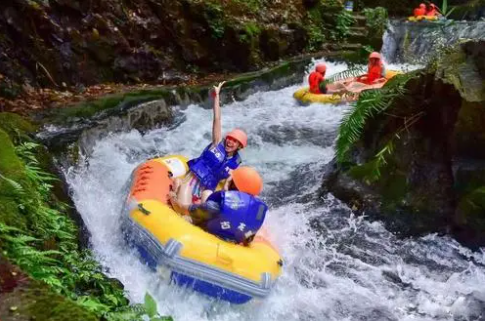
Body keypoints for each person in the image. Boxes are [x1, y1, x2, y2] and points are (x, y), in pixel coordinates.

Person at [172, 81, 248, 207]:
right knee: (183, 190)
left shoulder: (235, 165)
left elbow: (229, 186)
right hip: (193, 180)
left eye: (235, 141)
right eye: (230, 138)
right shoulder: (217, 142)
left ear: (239, 146)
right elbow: (217, 119)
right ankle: (176, 191)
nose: (230, 142)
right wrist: (216, 96)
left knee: (207, 195)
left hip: (206, 188)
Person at [170, 166, 268, 245]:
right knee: (207, 193)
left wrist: (173, 195)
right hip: (230, 239)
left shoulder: (215, 206)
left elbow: (181, 208)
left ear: (232, 184)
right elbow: (247, 239)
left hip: (207, 232)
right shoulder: (255, 213)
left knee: (184, 187)